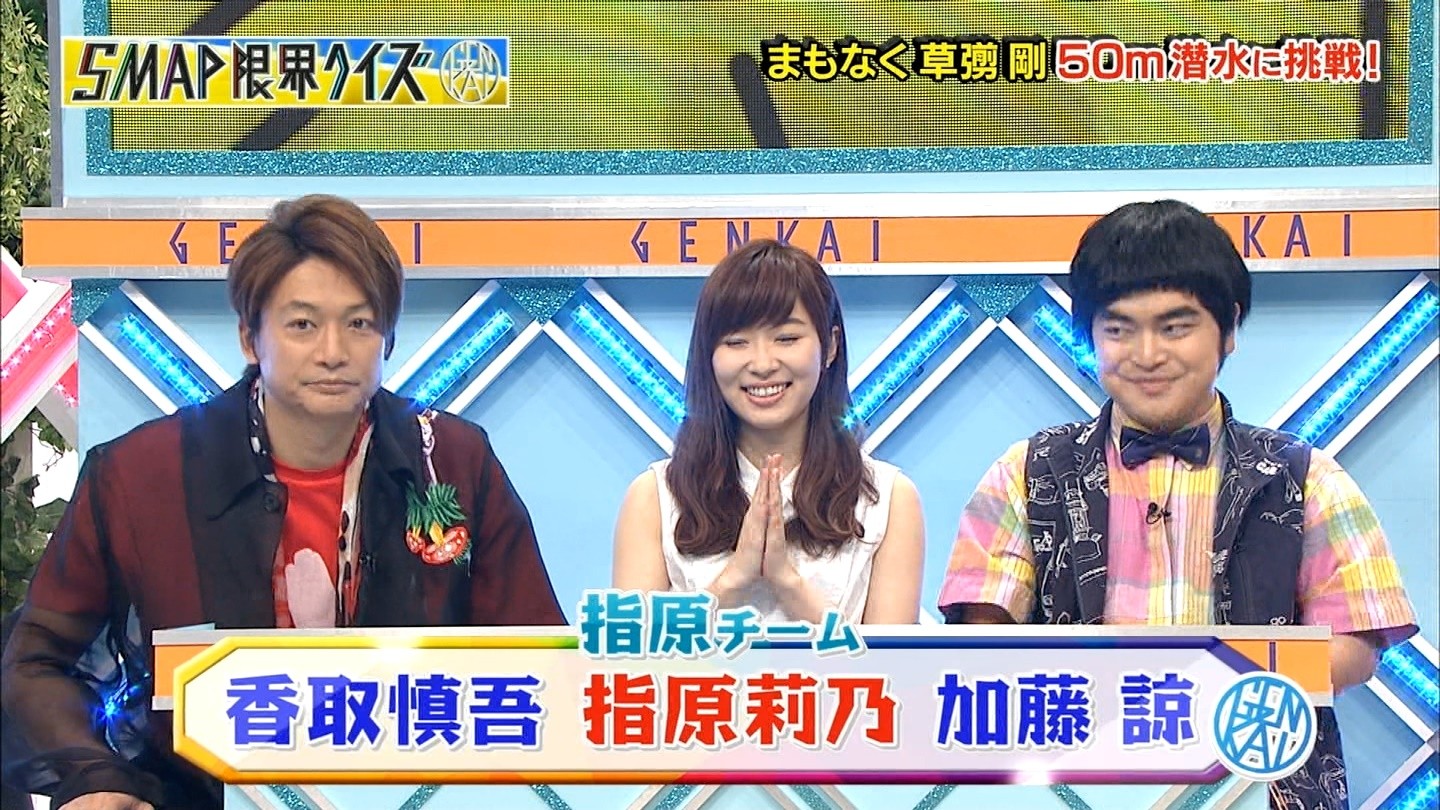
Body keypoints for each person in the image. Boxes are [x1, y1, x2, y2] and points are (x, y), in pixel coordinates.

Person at [0, 195, 567, 810]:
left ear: (388, 338)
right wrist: (95, 778)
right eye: (302, 325)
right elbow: (35, 662)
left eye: (360, 323)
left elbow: (541, 661)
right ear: (250, 338)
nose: (333, 352)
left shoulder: (451, 459)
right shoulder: (141, 474)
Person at [937, 200, 1418, 809]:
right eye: (1118, 329)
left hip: (1261, 786)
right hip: (1070, 789)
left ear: (1229, 328)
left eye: (1175, 327)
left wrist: (1203, 688)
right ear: (1089, 334)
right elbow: (981, 648)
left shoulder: (1306, 477)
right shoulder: (1025, 474)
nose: (1146, 355)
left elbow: (1354, 648)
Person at [612, 239, 924, 623]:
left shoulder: (888, 500)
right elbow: (632, 652)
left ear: (830, 346)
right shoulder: (655, 498)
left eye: (786, 338)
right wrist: (735, 579)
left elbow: (891, 660)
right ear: (709, 355)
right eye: (736, 342)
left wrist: (787, 582)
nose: (762, 364)